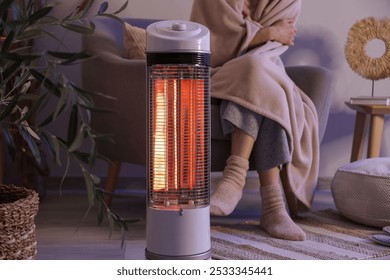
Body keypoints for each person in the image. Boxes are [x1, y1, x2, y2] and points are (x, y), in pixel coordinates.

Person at [190, 0, 319, 241]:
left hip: (265, 68)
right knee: (257, 76)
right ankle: (272, 206)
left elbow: (277, 42)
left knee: (259, 75)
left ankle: (236, 179)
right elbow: (212, 44)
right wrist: (268, 32)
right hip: (214, 73)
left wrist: (253, 36)